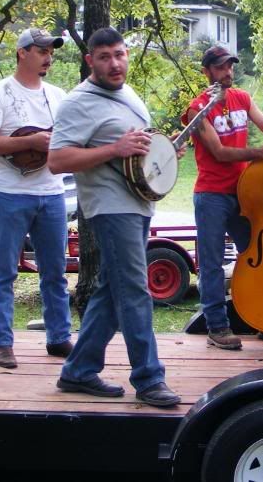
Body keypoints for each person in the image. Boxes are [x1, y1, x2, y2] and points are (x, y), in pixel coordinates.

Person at [47, 28, 181, 408]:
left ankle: (79, 370)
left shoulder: (129, 94)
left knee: (111, 290)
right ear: (90, 60)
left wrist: (165, 154)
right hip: (110, 207)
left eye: (120, 54)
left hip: (138, 203)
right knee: (135, 289)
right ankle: (149, 378)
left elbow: (138, 149)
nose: (115, 63)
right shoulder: (77, 103)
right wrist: (113, 149)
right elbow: (57, 160)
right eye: (104, 56)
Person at [0, 28, 73, 369]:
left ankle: (59, 338)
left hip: (52, 193)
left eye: (51, 50)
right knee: (4, 271)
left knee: (55, 271)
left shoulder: (59, 96)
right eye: (41, 50)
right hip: (10, 193)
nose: (48, 56)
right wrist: (30, 143)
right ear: (22, 53)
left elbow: (71, 140)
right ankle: (2, 343)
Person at [184, 45, 263, 350]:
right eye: (221, 67)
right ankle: (217, 326)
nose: (227, 72)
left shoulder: (242, 97)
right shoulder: (195, 108)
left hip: (243, 193)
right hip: (211, 194)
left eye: (230, 67)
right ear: (207, 71)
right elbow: (220, 152)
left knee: (255, 258)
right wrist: (259, 152)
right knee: (211, 264)